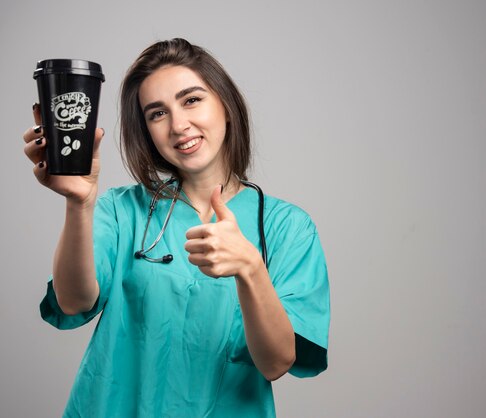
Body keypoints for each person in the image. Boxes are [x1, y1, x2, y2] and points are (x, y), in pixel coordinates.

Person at [23, 38, 330, 418]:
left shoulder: (287, 228)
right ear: (147, 131)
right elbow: (73, 302)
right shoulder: (123, 211)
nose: (178, 125)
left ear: (226, 105)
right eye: (157, 113)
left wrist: (250, 269)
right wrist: (79, 202)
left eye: (191, 100)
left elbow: (276, 363)